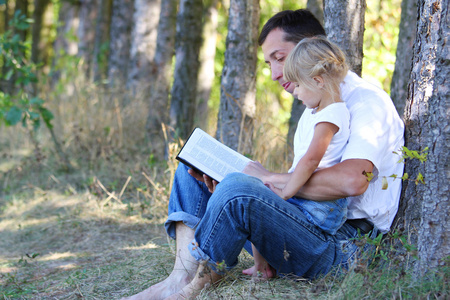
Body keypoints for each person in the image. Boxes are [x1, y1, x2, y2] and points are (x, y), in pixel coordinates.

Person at [123, 9, 404, 300]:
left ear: (312, 48)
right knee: (193, 170)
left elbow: (352, 181)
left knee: (238, 189)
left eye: (280, 58)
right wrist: (260, 186)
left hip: (343, 244)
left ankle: (196, 286)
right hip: (307, 224)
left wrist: (267, 180)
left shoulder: (366, 102)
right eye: (269, 62)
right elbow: (305, 182)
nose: (274, 74)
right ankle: (180, 277)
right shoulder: (315, 107)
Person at [248, 36, 351, 277]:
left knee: (259, 203)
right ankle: (262, 266)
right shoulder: (323, 111)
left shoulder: (330, 116)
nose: (295, 93)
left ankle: (263, 267)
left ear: (317, 81)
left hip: (320, 206)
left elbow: (311, 160)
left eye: (298, 86)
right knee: (258, 201)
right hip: (313, 200)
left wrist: (286, 192)